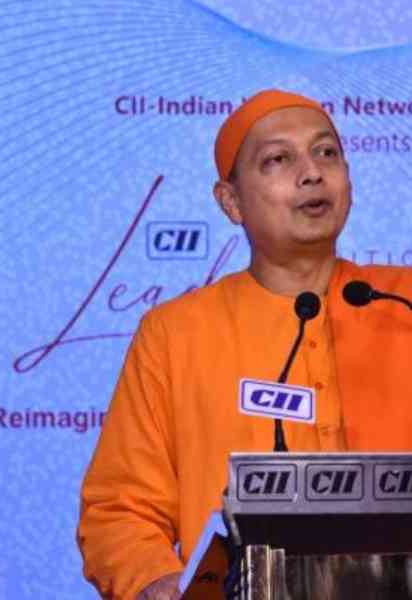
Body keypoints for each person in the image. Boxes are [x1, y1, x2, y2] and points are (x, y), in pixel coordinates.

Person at [77, 89, 412, 599]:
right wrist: (157, 585)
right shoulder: (175, 333)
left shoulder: (402, 304)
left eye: (327, 153)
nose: (311, 173)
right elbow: (119, 509)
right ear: (230, 202)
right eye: (279, 159)